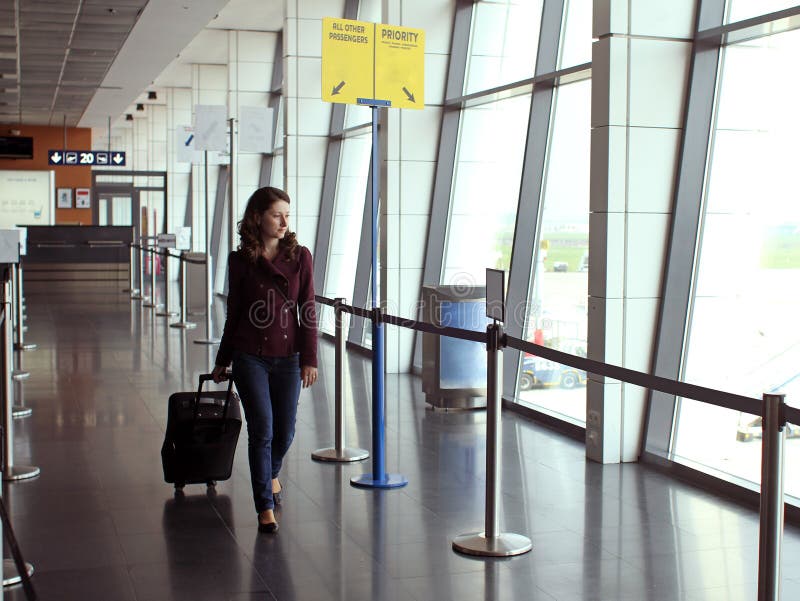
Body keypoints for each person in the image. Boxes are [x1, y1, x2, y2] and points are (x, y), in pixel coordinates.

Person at [212, 186, 318, 534]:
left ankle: (270, 473)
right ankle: (264, 506)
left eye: (287, 213)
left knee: (285, 431)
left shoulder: (300, 256)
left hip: (289, 357)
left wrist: (310, 358)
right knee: (262, 430)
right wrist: (223, 359)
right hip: (250, 356)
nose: (285, 221)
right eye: (277, 214)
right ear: (258, 217)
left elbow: (308, 310)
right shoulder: (240, 260)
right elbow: (235, 312)